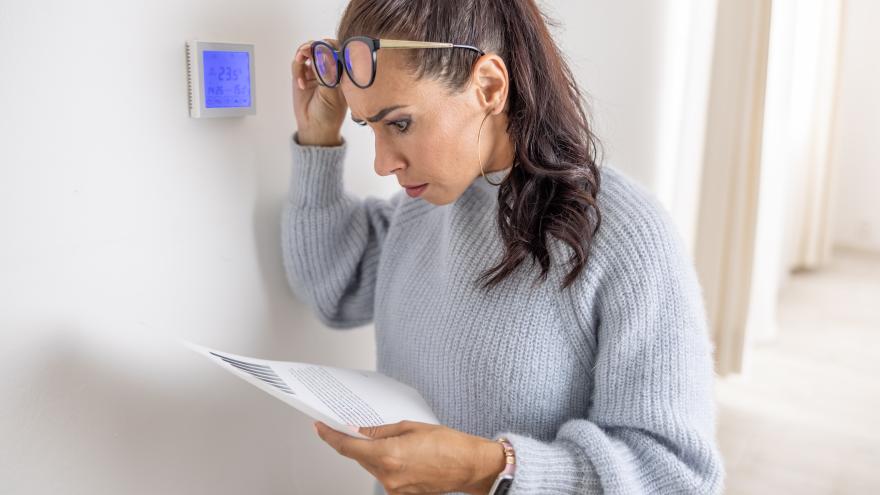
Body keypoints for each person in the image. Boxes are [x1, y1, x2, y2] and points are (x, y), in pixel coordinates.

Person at [283, 0, 725, 493]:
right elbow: (334, 288)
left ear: (489, 86)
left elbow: (677, 476)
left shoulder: (624, 235)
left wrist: (490, 468)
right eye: (370, 127)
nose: (383, 164)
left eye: (401, 123)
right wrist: (319, 138)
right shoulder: (424, 207)